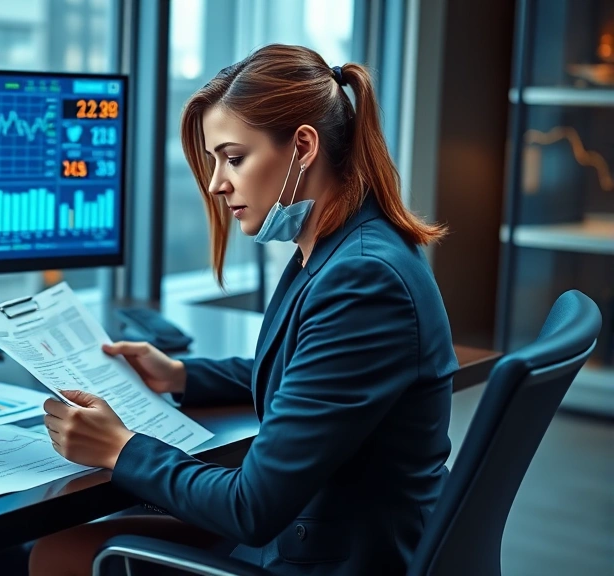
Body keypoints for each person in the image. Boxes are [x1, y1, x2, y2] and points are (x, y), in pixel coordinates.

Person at [32, 43, 458, 576]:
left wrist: (120, 450)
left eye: (233, 157)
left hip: (328, 558)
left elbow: (250, 506)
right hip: (322, 532)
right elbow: (312, 374)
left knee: (56, 556)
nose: (216, 183)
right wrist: (183, 375)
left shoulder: (365, 279)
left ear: (303, 146)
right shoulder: (342, 244)